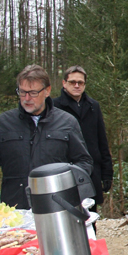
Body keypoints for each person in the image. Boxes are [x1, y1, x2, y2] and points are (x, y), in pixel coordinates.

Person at [0, 65, 92, 209]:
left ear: (47, 91)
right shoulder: (4, 123)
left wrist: (64, 181)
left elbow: (84, 162)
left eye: (33, 93)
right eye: (22, 92)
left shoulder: (67, 122)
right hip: (15, 208)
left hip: (55, 207)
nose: (27, 98)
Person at [53, 66, 113, 211]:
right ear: (64, 83)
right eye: (72, 82)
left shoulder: (93, 106)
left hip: (91, 172)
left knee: (90, 217)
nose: (77, 85)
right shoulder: (54, 107)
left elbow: (101, 141)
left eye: (80, 82)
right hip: (63, 172)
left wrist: (107, 173)